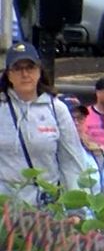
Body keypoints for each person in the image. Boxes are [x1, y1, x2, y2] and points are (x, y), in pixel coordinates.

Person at [0, 43, 84, 205]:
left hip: (45, 207)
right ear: (9, 75)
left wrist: (76, 209)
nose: (25, 74)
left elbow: (71, 161)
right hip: (4, 208)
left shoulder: (57, 109)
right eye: (18, 68)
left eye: (30, 67)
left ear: (39, 71)